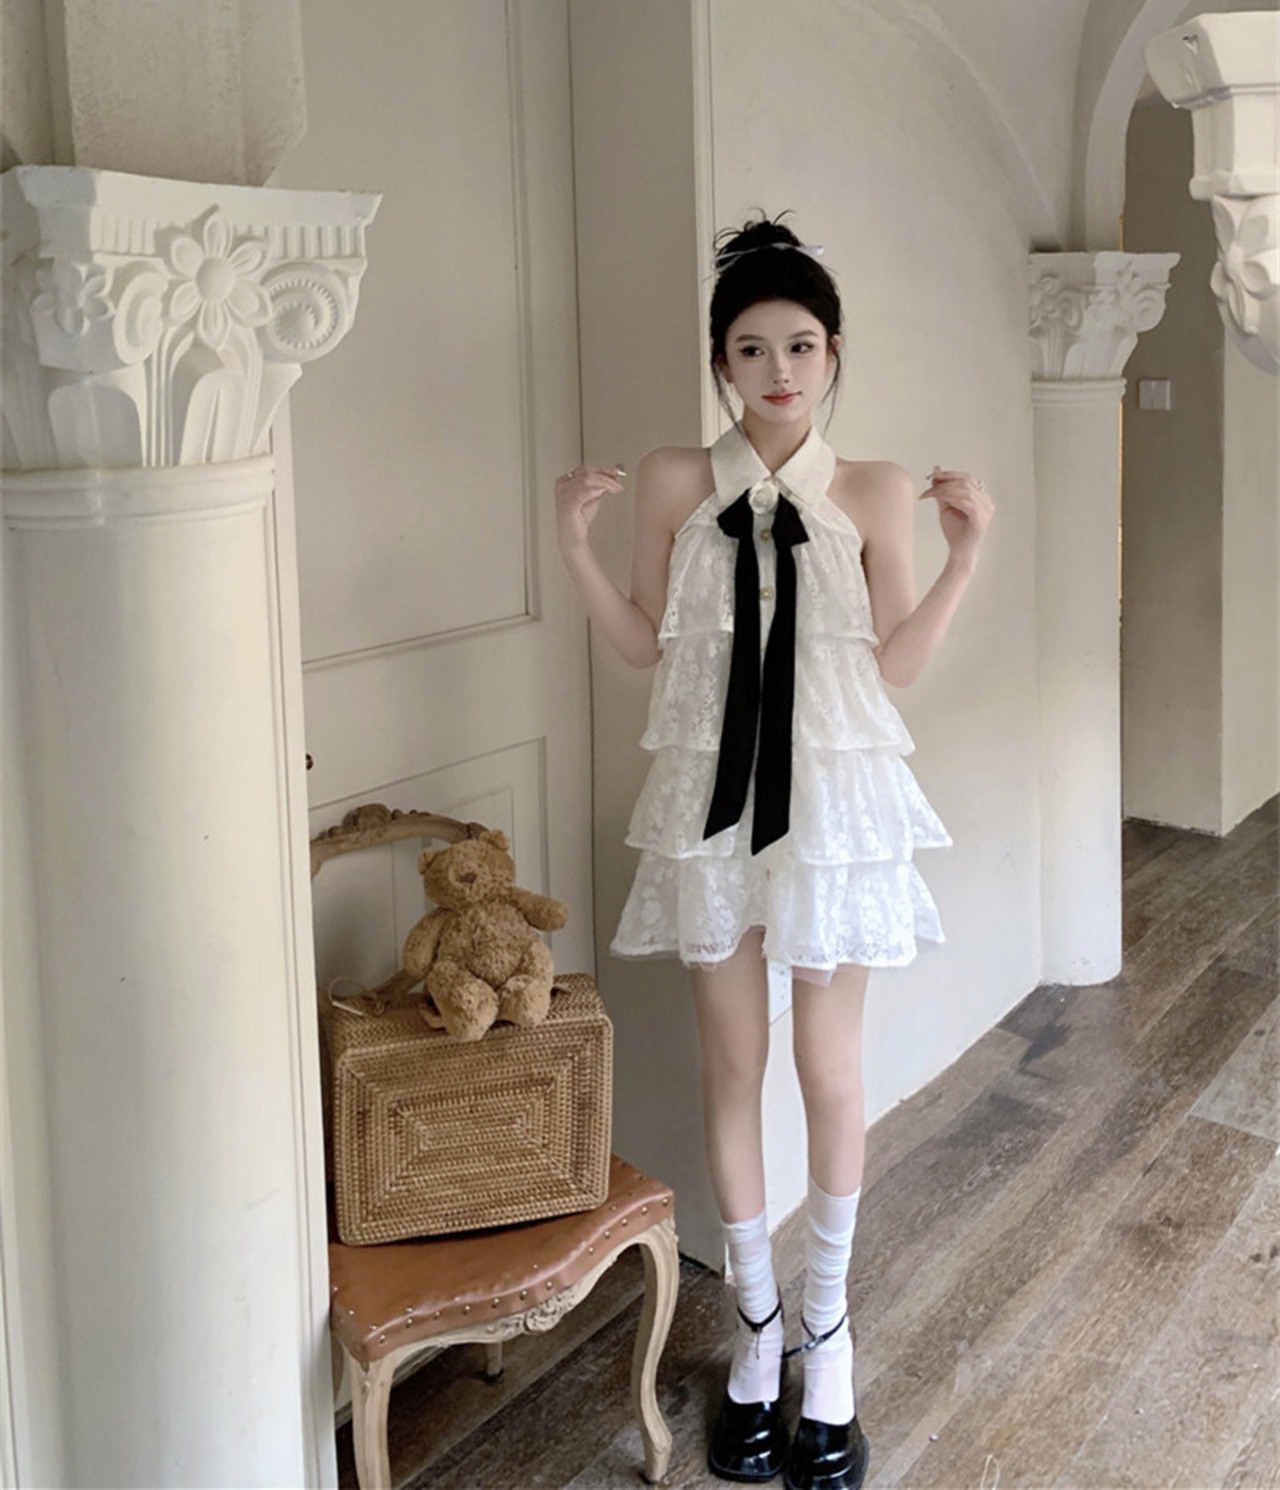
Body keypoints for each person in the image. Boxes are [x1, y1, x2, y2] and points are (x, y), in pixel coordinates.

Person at [554, 216, 993, 1490]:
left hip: (833, 815)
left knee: (827, 1067)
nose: (777, 369)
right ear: (719, 362)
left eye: (798, 344)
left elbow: (893, 664)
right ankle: (754, 1328)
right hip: (711, 811)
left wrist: (965, 558)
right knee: (733, 1063)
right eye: (750, 348)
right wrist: (572, 544)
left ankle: (828, 1333)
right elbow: (640, 643)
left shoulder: (871, 489)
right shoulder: (673, 480)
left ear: (832, 352)